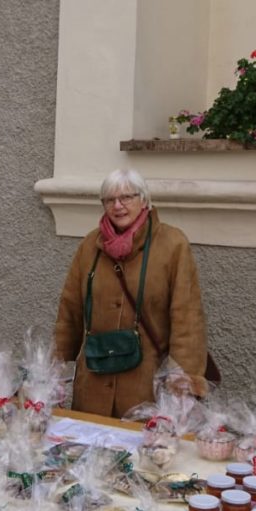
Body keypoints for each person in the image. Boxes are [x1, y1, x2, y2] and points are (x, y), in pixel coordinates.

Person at [54, 170, 208, 418]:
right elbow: (69, 310)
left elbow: (187, 316)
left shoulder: (172, 244)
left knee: (145, 454)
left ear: (144, 199)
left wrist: (184, 380)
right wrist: (55, 369)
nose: (118, 205)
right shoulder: (90, 246)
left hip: (146, 386)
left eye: (127, 197)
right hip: (93, 384)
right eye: (109, 199)